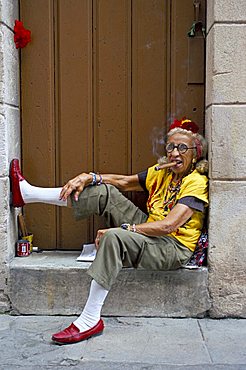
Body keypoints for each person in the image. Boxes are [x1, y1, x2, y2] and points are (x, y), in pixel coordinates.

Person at [10, 118, 209, 345]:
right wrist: (89, 177)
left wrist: (127, 229)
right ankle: (28, 194)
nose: (175, 153)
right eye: (171, 147)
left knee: (114, 237)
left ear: (195, 155)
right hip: (150, 228)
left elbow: (168, 226)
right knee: (104, 191)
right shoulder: (162, 172)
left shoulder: (196, 182)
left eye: (183, 148)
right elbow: (123, 182)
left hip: (172, 246)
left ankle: (90, 319)